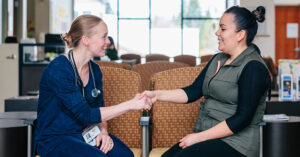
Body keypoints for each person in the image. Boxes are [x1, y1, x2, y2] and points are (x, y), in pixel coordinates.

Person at [141, 6, 271, 157]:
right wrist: (157, 95)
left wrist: (198, 137)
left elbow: (242, 119)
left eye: (223, 29)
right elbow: (193, 91)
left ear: (240, 35)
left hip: (237, 144)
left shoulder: (253, 67)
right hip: (209, 136)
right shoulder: (218, 59)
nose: (217, 33)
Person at [33, 14, 152, 157]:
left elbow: (98, 108)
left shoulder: (94, 70)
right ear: (86, 40)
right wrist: (131, 104)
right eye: (104, 37)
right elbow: (87, 115)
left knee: (124, 155)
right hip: (55, 138)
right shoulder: (58, 69)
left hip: (85, 134)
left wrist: (103, 132)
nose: (108, 41)